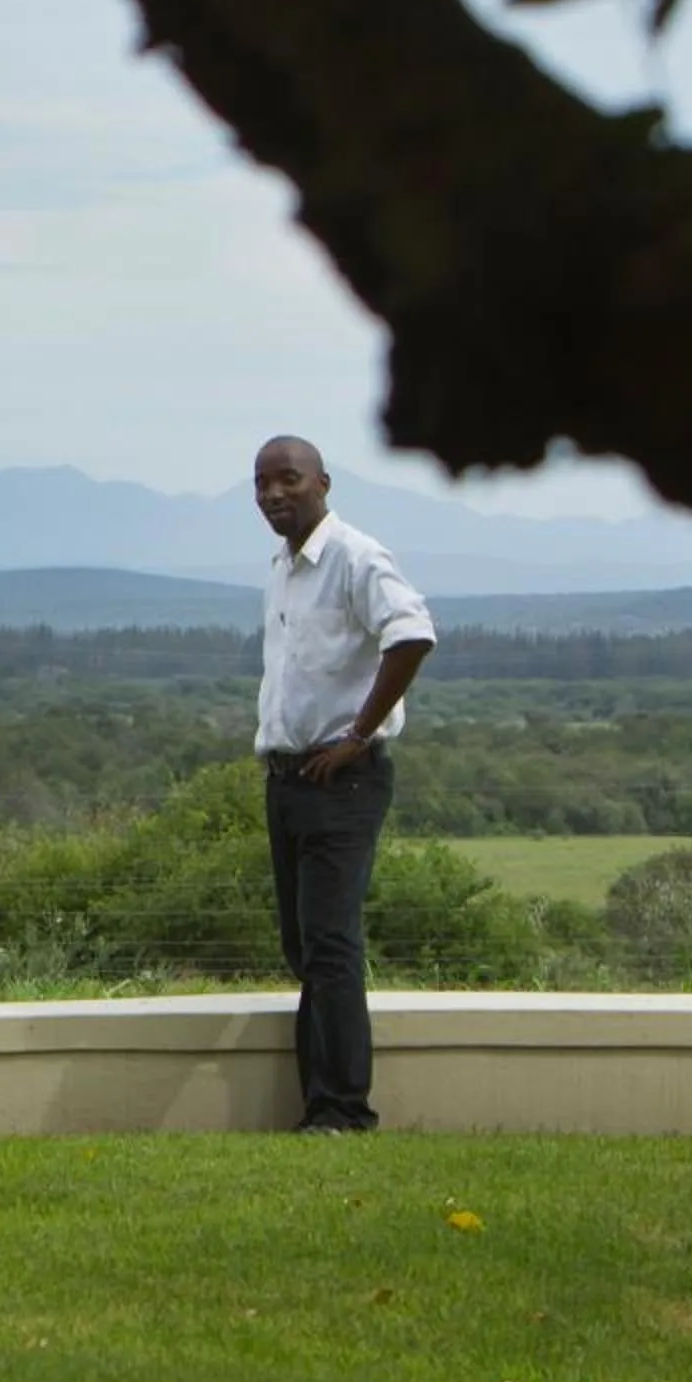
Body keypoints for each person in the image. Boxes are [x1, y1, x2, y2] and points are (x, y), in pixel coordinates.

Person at [251, 435, 433, 1134]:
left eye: (287, 480)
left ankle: (343, 1110)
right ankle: (320, 1101)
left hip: (342, 783)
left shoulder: (355, 557)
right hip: (289, 779)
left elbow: (412, 634)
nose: (273, 495)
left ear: (322, 483)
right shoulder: (283, 567)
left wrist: (358, 735)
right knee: (305, 946)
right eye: (262, 484)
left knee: (330, 942)